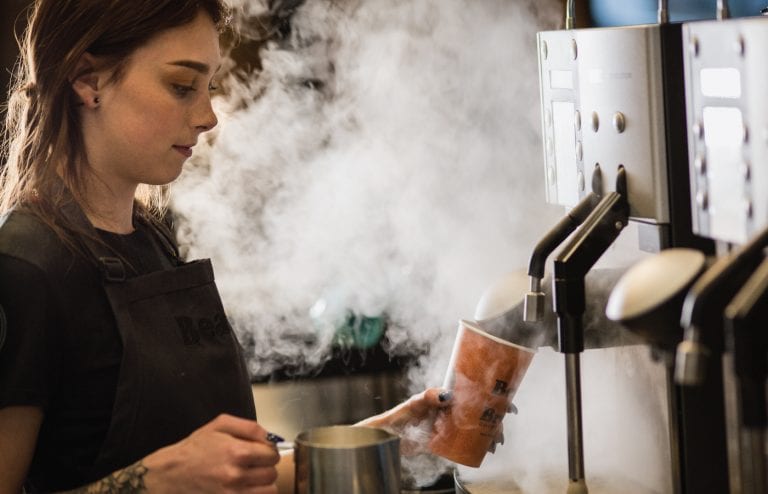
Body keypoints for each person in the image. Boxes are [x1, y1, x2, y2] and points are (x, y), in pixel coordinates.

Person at [0, 1, 458, 492]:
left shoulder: (153, 244)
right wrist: (153, 482)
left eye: (209, 86)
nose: (207, 116)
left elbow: (232, 472)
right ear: (88, 80)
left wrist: (388, 438)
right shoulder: (25, 269)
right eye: (181, 86)